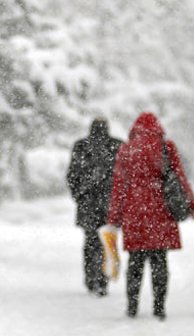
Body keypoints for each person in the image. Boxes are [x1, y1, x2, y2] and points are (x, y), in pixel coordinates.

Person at [107, 112, 194, 320]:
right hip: (161, 211)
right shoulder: (166, 147)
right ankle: (159, 307)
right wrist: (191, 204)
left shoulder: (127, 149)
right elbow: (180, 177)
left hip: (134, 212)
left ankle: (132, 306)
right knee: (159, 260)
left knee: (135, 261)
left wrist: (114, 217)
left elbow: (119, 186)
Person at [67, 117, 123, 297]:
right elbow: (125, 177)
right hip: (110, 204)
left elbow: (72, 175)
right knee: (107, 241)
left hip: (88, 203)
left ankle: (91, 278)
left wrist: (79, 195)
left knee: (90, 241)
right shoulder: (117, 146)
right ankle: (103, 279)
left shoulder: (81, 146)